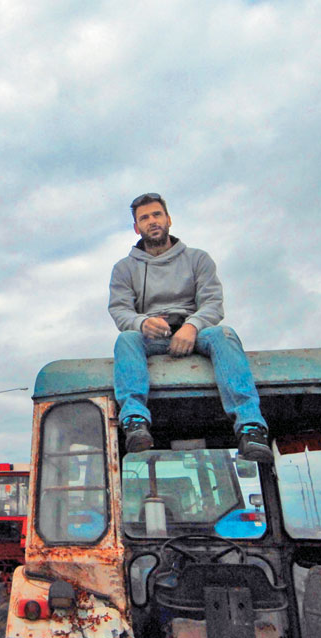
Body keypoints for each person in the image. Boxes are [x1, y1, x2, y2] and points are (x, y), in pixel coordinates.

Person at [108, 192, 271, 463]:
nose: (152, 221)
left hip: (196, 332)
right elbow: (120, 310)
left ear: (169, 219)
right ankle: (135, 421)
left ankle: (250, 427)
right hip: (152, 336)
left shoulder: (198, 259)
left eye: (157, 214)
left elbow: (213, 304)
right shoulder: (124, 269)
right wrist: (142, 322)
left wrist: (192, 326)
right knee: (126, 339)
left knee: (224, 334)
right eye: (144, 218)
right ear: (137, 228)